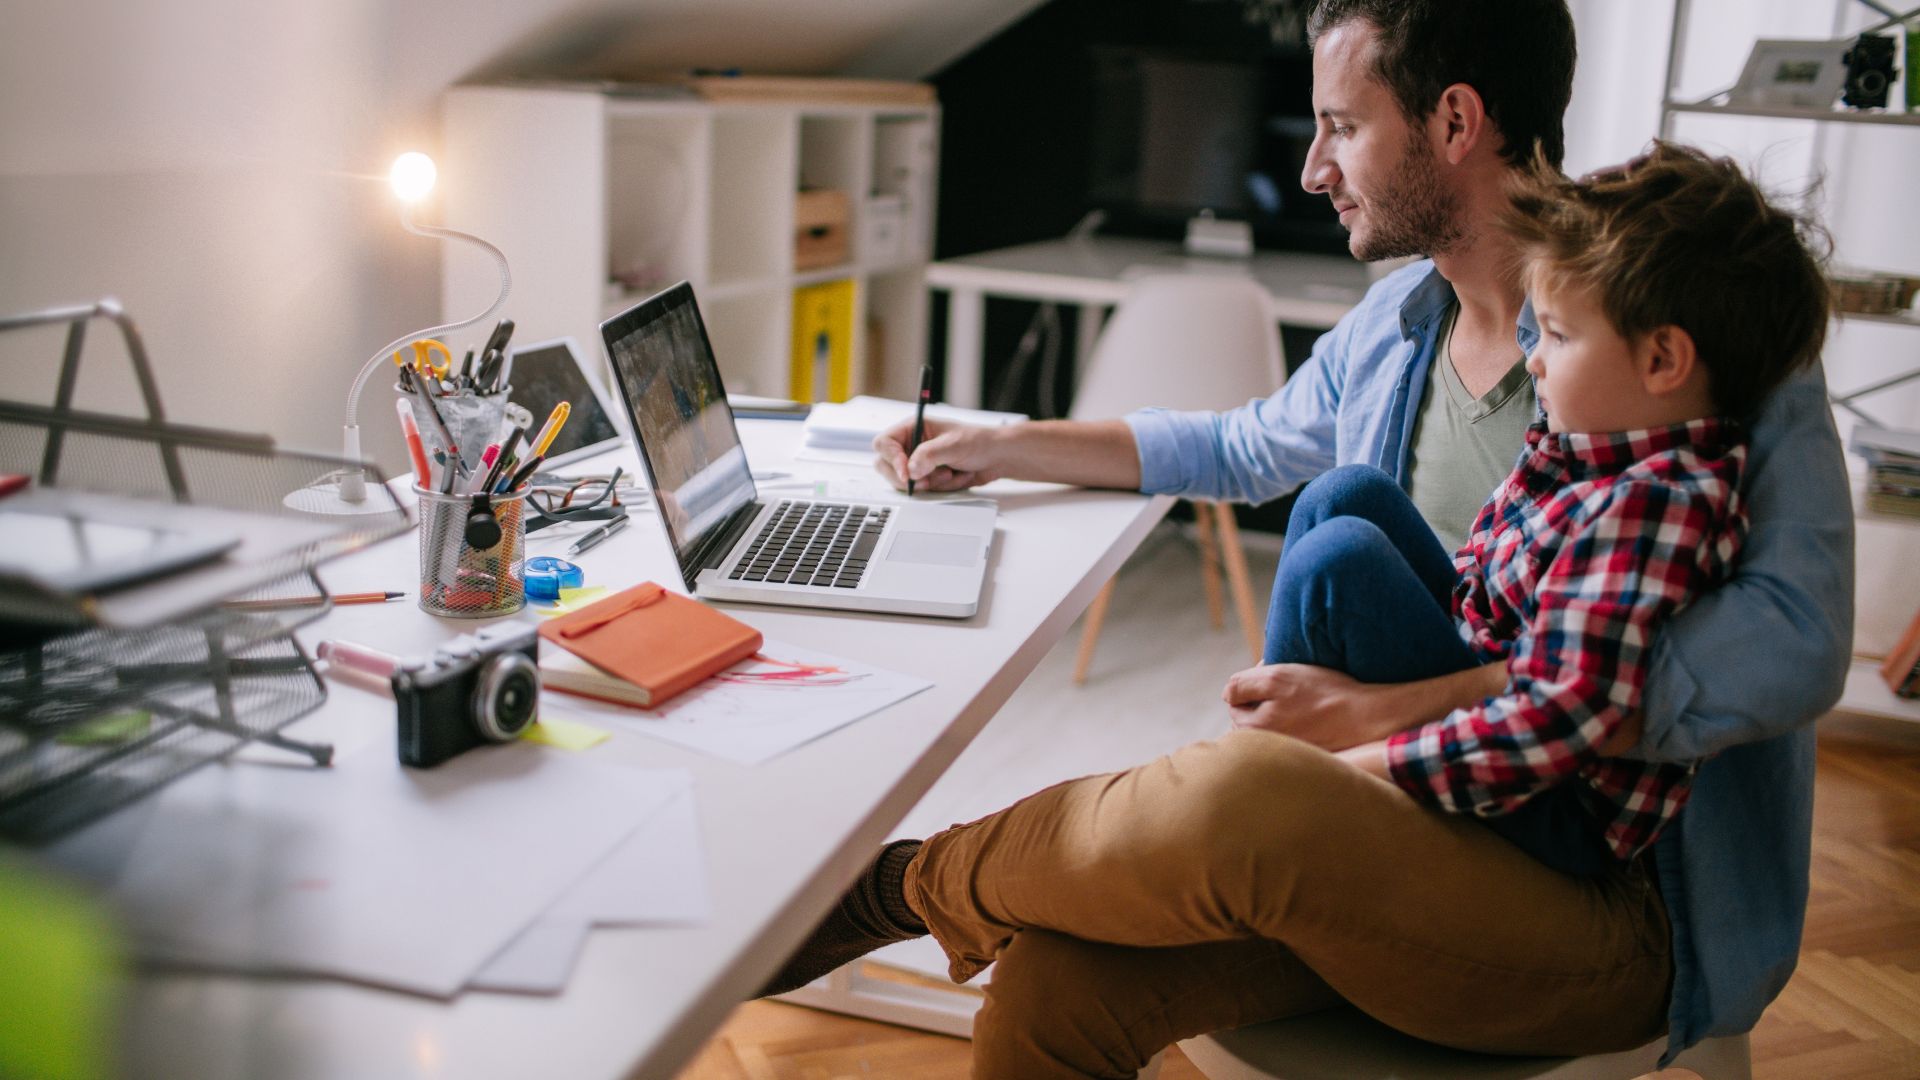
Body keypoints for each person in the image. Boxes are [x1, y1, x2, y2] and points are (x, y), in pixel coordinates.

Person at [764, 1, 1853, 1074]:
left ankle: (904, 885)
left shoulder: (1692, 320)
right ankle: (1087, 848)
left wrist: (1390, 716)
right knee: (1057, 981)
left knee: (1254, 791)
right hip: (1430, 817)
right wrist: (1005, 446)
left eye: (1342, 125)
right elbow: (1240, 445)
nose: (1311, 168)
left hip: (1617, 889)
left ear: (1455, 121)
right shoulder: (1399, 322)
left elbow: (1793, 642)